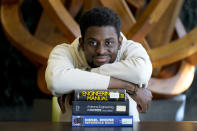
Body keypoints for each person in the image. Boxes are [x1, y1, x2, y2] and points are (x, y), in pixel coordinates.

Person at [45, 7, 152, 122]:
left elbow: (140, 73)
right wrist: (129, 87)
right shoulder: (65, 51)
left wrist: (84, 75)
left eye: (108, 43)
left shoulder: (131, 49)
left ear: (120, 42)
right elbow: (55, 81)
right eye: (92, 42)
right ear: (81, 43)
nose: (101, 51)